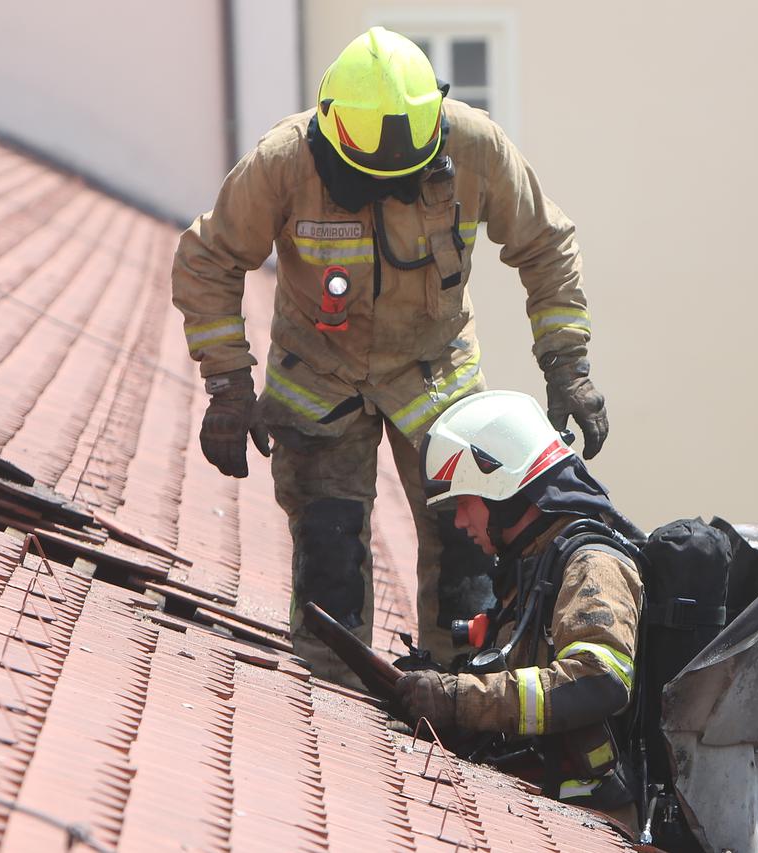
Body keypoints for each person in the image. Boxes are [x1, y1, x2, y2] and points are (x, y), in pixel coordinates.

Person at [171, 27, 609, 684]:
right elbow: (208, 259)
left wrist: (567, 367)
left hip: (436, 380)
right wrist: (229, 385)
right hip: (319, 380)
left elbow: (546, 245)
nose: (384, 191)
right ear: (334, 136)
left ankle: (460, 691)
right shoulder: (285, 162)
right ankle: (330, 701)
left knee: (469, 552)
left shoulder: (475, 148)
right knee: (329, 555)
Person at [396, 390, 641, 817]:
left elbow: (599, 682)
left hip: (598, 819)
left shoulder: (591, 564)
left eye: (464, 503)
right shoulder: (534, 566)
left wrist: (460, 701)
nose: (459, 521)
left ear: (501, 492)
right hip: (542, 802)